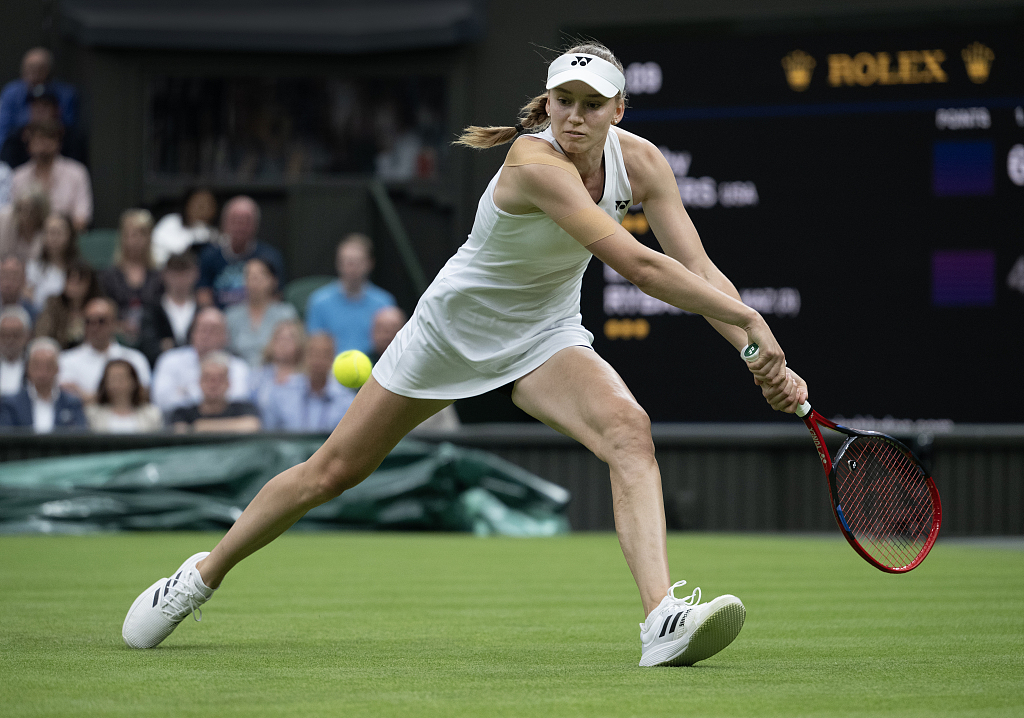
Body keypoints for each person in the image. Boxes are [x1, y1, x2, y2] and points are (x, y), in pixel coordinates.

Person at [121, 43, 806, 669]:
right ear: (549, 102)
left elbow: (699, 267)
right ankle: (200, 577)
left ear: (617, 110)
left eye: (592, 104)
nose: (575, 115)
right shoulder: (534, 163)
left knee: (629, 430)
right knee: (329, 473)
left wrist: (756, 352)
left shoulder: (644, 163)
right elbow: (639, 265)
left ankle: (661, 617)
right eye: (564, 101)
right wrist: (748, 320)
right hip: (449, 334)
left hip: (543, 335)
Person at [368, 305, 460, 432]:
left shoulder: (426, 370)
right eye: (382, 329)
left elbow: (450, 431)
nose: (387, 335)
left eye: (393, 329)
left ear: (404, 333)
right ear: (372, 333)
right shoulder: (363, 367)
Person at [305, 233, 395, 356]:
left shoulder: (385, 303)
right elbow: (314, 347)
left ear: (370, 263)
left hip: (374, 370)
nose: (351, 267)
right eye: (347, 261)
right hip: (331, 371)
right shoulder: (319, 301)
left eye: (357, 262)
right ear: (338, 263)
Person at [150, 306, 250, 415]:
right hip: (179, 426)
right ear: (192, 333)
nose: (206, 336)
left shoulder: (238, 367)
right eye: (202, 329)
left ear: (225, 337)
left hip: (225, 425)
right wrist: (214, 396)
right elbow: (162, 401)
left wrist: (186, 392)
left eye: (213, 330)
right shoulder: (170, 360)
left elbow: (239, 399)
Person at [58, 297, 151, 404]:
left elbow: (142, 396)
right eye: (89, 321)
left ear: (114, 323)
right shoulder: (66, 360)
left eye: (101, 321)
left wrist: (86, 396)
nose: (94, 327)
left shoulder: (134, 358)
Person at [196, 196, 285, 308]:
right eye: (235, 220)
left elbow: (277, 296)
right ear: (224, 223)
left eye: (246, 221)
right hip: (220, 320)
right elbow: (202, 293)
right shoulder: (209, 255)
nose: (240, 226)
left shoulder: (270, 256)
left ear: (256, 225)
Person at [261, 332, 354, 431]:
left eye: (325, 354)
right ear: (304, 357)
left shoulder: (347, 401)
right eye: (313, 353)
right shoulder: (281, 394)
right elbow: (270, 436)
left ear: (332, 359)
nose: (318, 359)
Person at [10, 119, 92, 231]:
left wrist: (55, 234)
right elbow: (13, 219)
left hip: (66, 242)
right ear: (29, 144)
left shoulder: (77, 173)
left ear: (58, 142)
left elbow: (82, 220)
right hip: (28, 242)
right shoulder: (18, 176)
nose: (43, 144)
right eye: (38, 138)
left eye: (48, 137)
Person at [99, 209, 163, 346]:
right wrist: (118, 326)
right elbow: (102, 309)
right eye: (129, 235)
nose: (134, 241)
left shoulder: (159, 276)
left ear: (149, 238)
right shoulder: (108, 276)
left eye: (140, 235)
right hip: (115, 338)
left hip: (151, 338)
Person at [0, 336, 86, 431]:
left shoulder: (72, 404)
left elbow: (80, 437)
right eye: (37, 366)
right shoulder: (11, 405)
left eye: (48, 366)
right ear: (28, 368)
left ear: (57, 368)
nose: (42, 372)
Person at [226, 257, 297, 367]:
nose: (254, 281)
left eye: (260, 276)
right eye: (249, 276)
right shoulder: (231, 315)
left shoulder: (286, 314)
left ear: (274, 281)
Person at [0, 48, 79, 147]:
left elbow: (70, 131)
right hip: (18, 148)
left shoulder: (66, 94)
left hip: (55, 149)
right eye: (30, 68)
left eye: (40, 68)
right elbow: (3, 130)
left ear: (49, 70)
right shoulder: (11, 92)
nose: (34, 73)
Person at [169, 352, 260, 433]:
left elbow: (252, 425)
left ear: (228, 383)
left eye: (219, 379)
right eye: (208, 379)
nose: (213, 385)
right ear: (199, 382)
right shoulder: (183, 413)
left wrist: (202, 426)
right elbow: (180, 430)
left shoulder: (243, 409)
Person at [1, 85, 87, 168]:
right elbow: (7, 169)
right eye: (35, 106)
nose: (40, 110)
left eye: (45, 105)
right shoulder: (16, 137)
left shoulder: (72, 138)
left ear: (57, 110)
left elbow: (79, 170)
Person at [138, 251, 199, 366]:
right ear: (164, 275)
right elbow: (149, 348)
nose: (180, 280)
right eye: (175, 274)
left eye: (184, 273)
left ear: (195, 274)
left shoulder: (202, 311)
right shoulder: (152, 310)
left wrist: (170, 346)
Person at [34, 259, 103, 349]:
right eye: (70, 279)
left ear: (89, 284)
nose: (73, 285)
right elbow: (42, 335)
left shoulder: (98, 308)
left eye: (79, 281)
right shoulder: (54, 306)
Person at [85, 359, 163, 433]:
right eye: (112, 379)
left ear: (134, 382)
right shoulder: (92, 414)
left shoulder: (151, 414)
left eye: (121, 378)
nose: (116, 384)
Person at [248, 318, 304, 419]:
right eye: (279, 338)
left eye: (289, 339)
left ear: (299, 344)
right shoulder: (257, 376)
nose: (283, 343)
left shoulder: (305, 379)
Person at [151, 188, 219, 268]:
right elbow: (155, 250)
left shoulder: (217, 234)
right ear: (187, 204)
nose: (202, 207)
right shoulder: (171, 222)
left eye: (208, 204)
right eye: (198, 203)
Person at [25, 212, 77, 313]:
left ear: (70, 235)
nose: (52, 238)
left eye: (57, 233)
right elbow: (28, 300)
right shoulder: (33, 267)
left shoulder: (78, 270)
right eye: (47, 232)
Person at [0, 184, 49, 264]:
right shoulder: (4, 220)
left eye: (31, 212)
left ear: (40, 213)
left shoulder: (47, 228)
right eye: (21, 210)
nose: (25, 216)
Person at [0, 305, 31, 396]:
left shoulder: (33, 366)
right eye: (4, 335)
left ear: (27, 336)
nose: (10, 340)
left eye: (16, 335)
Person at [0, 255, 37, 324]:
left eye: (14, 278)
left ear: (24, 280)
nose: (8, 283)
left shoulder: (32, 313)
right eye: (5, 276)